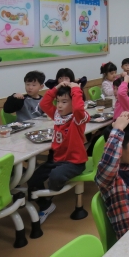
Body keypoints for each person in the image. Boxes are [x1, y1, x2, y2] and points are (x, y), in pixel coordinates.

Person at [28, 82, 89, 223]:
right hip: (56, 160)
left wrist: (76, 88)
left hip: (74, 162)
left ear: (74, 103)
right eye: (58, 101)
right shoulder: (57, 115)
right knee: (33, 179)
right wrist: (56, 87)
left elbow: (78, 108)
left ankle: (51, 193)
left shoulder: (78, 118)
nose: (59, 105)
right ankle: (46, 205)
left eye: (64, 102)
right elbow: (44, 104)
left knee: (55, 177)